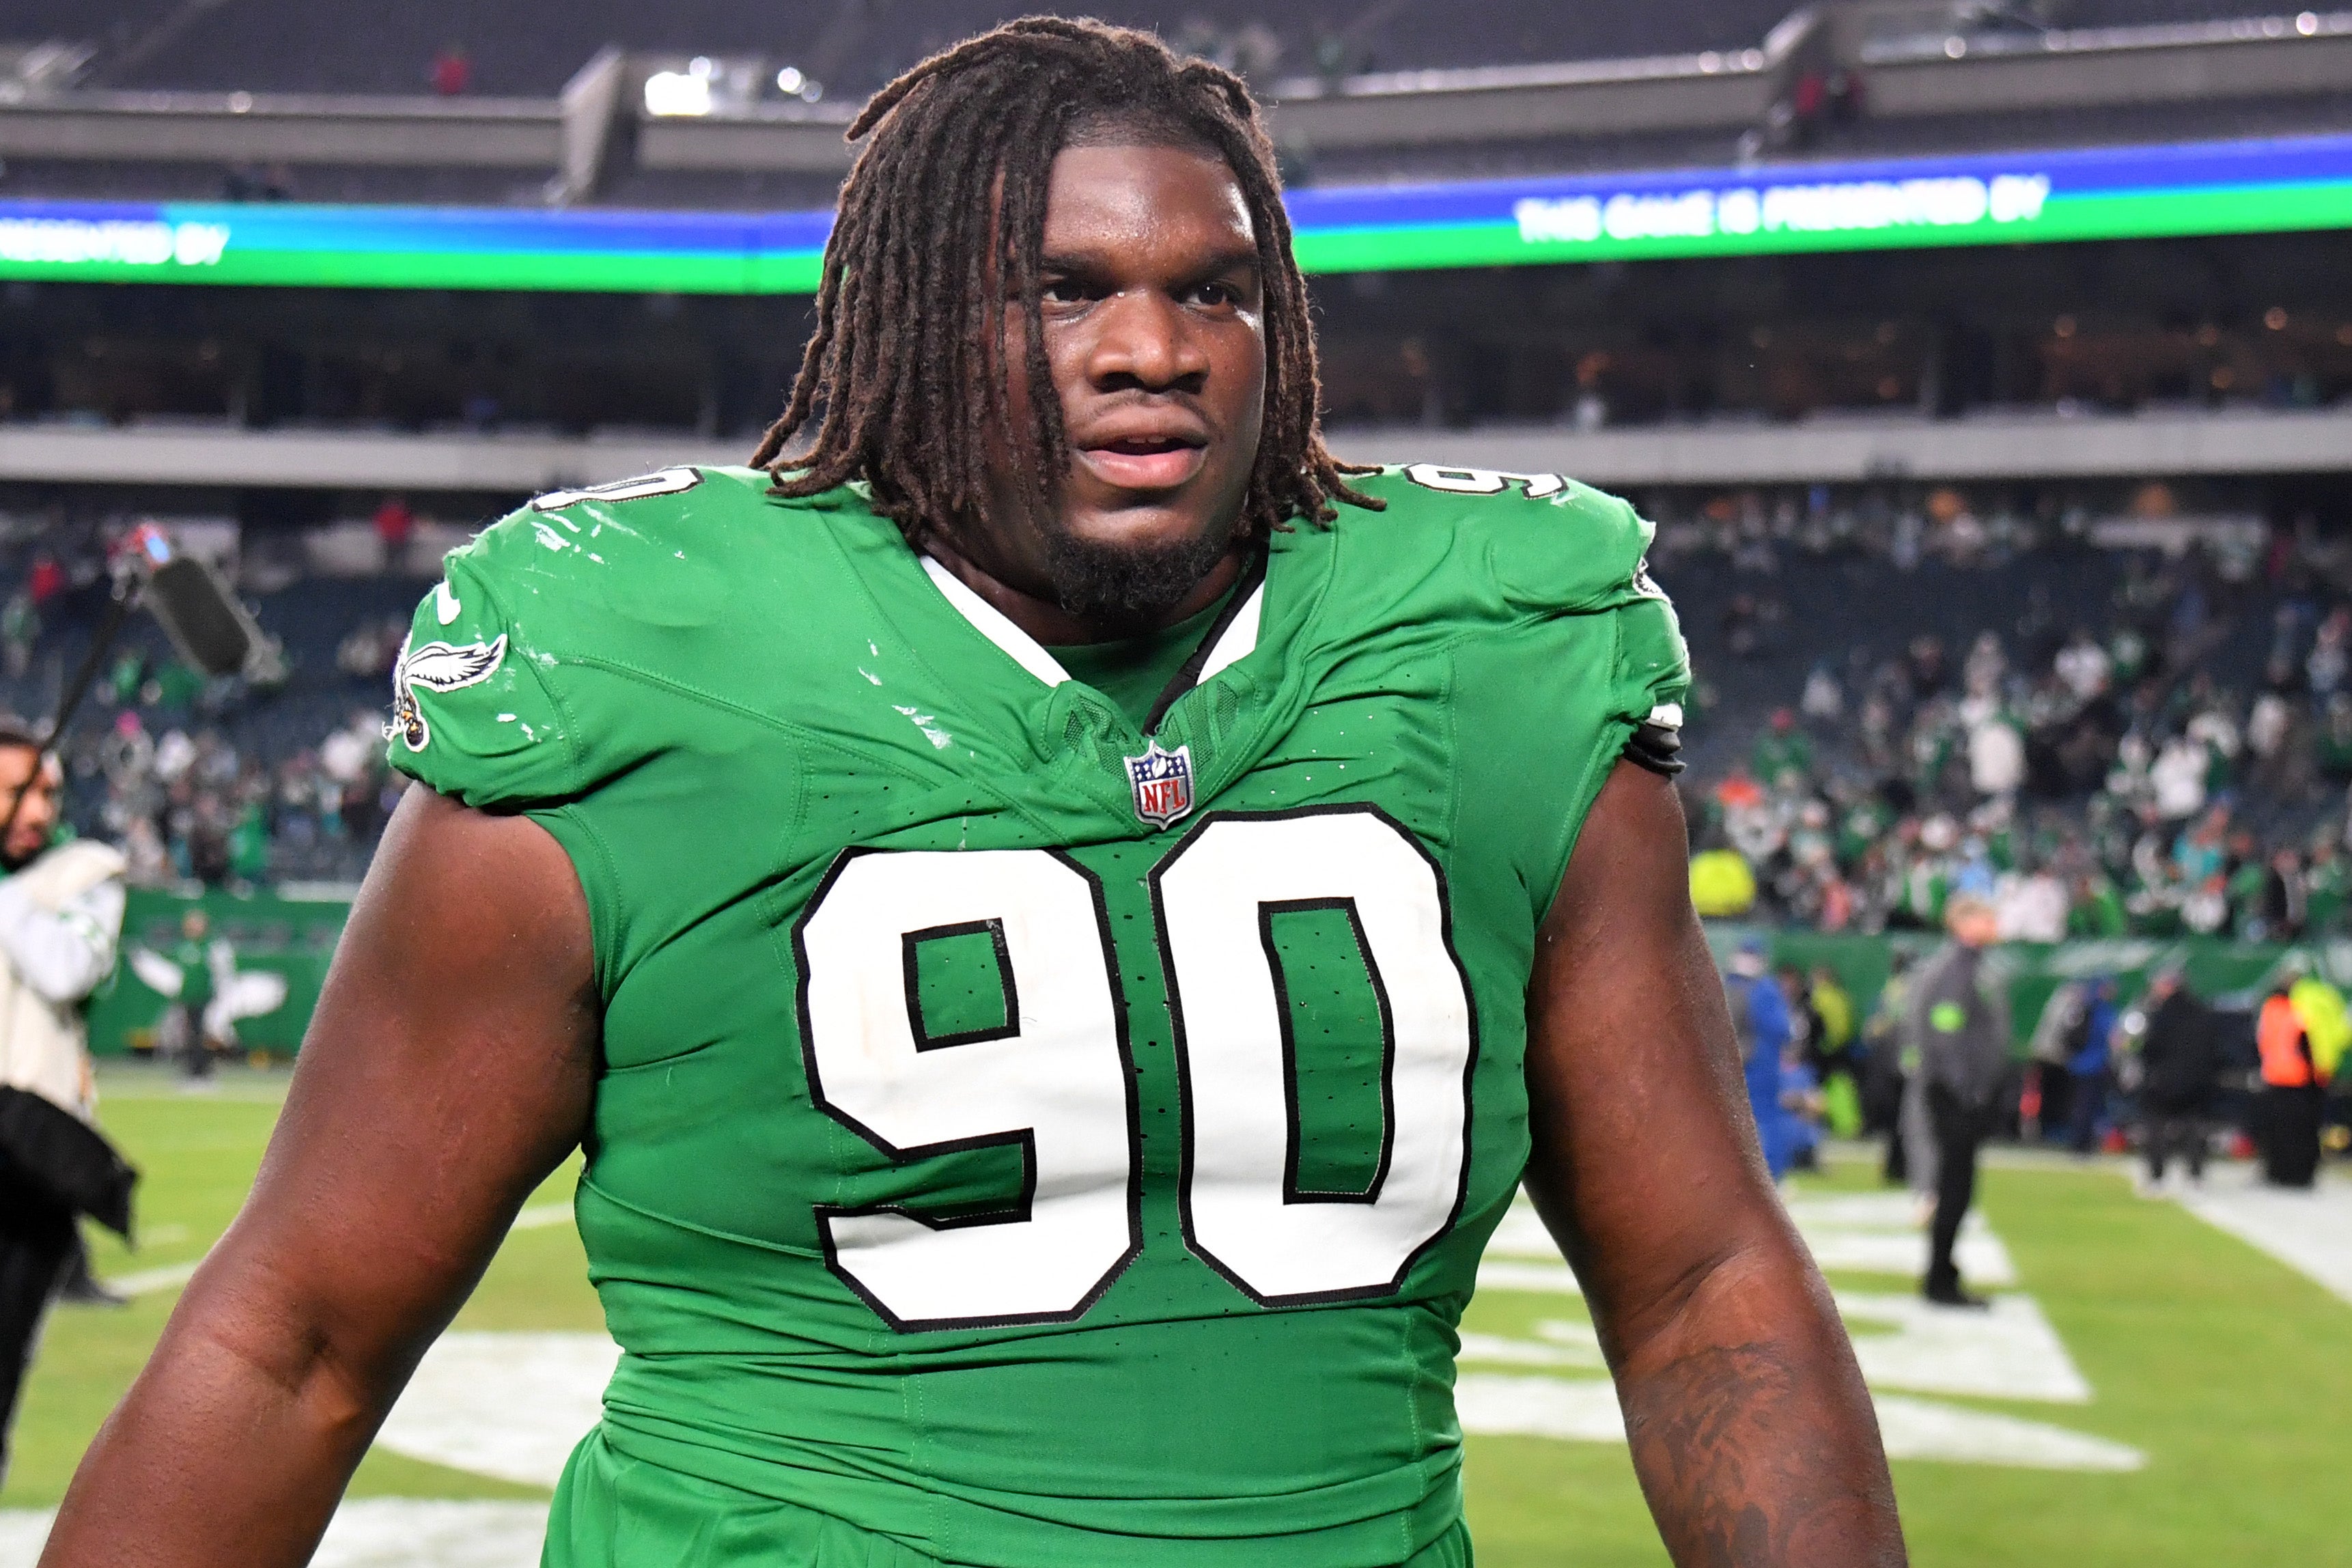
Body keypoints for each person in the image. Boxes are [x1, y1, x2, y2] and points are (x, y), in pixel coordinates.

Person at [46, 23, 1902, 1568]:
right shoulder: (648, 666)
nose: (1152, 351)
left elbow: (1700, 1292)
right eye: (1063, 289)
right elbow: (297, 1335)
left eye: (1214, 293)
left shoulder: (1494, 654)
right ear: (918, 323)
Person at [0, 722, 129, 1480]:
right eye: (19, 792)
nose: (40, 811)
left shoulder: (85, 873)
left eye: (48, 791)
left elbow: (64, 967)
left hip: (23, 1156)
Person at [1905, 893, 2010, 1308]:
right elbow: (1947, 1036)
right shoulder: (1957, 970)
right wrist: (1969, 1092)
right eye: (1987, 915)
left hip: (1958, 1093)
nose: (1995, 922)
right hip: (1955, 1096)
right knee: (1955, 1187)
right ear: (1965, 923)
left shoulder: (1969, 968)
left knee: (1959, 1186)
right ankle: (1939, 1280)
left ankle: (1943, 1271)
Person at [2133, 968, 2218, 1193]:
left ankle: (2157, 1177)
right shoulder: (2201, 1011)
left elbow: (2150, 1049)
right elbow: (2213, 1047)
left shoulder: (2161, 1013)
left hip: (2164, 1081)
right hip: (2196, 1081)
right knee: (2195, 1129)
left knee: (2156, 1128)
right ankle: (2195, 1176)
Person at [2254, 962, 2336, 1188]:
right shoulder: (2310, 1004)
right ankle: (2300, 1175)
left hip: (2281, 1077)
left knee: (2282, 1131)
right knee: (2302, 1131)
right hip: (2303, 1078)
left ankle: (2281, 1173)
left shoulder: (2276, 1009)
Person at [1726, 940, 1799, 1181]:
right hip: (1760, 1064)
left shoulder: (1726, 985)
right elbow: (1782, 1029)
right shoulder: (1765, 989)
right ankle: (1770, 1177)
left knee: (1732, 1123)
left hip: (1730, 1065)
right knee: (1767, 1123)